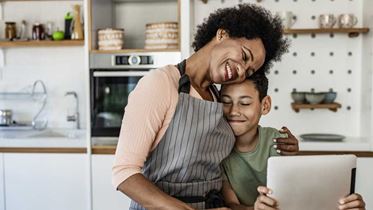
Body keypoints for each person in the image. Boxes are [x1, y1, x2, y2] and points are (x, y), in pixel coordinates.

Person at [112, 4, 295, 210]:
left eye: (249, 71)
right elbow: (124, 173)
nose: (241, 71)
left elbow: (244, 147)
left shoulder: (220, 100)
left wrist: (281, 145)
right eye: (244, 56)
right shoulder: (161, 83)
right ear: (222, 34)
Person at [219, 72, 366, 210]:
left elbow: (296, 196)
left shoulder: (278, 141)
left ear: (265, 105)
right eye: (226, 102)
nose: (233, 111)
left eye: (244, 103)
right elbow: (231, 204)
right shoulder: (216, 148)